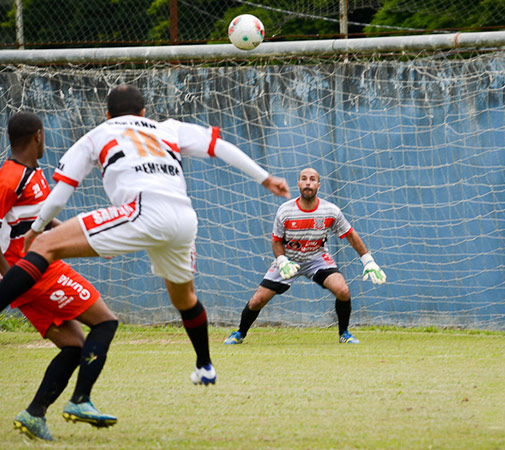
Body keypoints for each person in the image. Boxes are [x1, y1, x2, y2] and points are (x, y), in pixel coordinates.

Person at [0, 85, 290, 394]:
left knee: (45, 245)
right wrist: (265, 178)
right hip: (184, 220)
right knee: (184, 299)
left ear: (108, 114)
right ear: (143, 112)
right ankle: (205, 365)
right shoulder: (169, 128)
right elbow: (220, 146)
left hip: (142, 211)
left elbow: (60, 194)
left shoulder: (98, 134)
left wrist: (37, 227)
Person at [0, 112, 119, 441]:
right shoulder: (10, 177)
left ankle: (34, 414)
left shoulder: (34, 174)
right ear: (38, 135)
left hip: (34, 274)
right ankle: (81, 400)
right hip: (36, 273)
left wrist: (91, 242)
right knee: (105, 322)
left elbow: (44, 222)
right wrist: (12, 278)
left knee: (74, 346)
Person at [224, 167, 386, 345]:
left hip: (317, 259)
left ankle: (344, 334)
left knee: (343, 290)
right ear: (298, 184)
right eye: (304, 179)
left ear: (318, 185)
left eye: (312, 179)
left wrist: (368, 260)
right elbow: (276, 241)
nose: (308, 182)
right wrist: (282, 260)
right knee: (257, 300)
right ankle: (239, 333)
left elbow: (350, 235)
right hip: (288, 260)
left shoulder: (330, 210)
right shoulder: (285, 210)